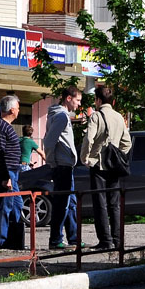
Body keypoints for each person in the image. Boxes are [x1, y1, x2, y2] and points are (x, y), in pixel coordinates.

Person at [82, 84, 131, 251]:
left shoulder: (96, 116)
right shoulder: (119, 117)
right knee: (114, 204)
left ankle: (105, 240)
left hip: (97, 164)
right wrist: (117, 155)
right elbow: (127, 143)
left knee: (100, 203)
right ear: (113, 101)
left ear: (98, 100)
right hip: (114, 166)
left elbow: (88, 139)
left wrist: (86, 158)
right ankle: (118, 240)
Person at [44, 87, 83, 249]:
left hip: (65, 164)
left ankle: (73, 237)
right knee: (63, 203)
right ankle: (55, 239)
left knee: (70, 202)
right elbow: (48, 141)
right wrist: (52, 161)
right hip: (62, 165)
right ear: (68, 98)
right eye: (77, 100)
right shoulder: (61, 117)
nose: (79, 104)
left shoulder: (61, 116)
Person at [0, 95, 24, 249]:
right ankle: (0, 240)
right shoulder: (1, 126)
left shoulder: (4, 126)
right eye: (18, 108)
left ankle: (13, 238)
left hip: (11, 172)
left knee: (16, 204)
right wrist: (5, 176)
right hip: (6, 172)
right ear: (11, 109)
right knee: (5, 204)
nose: (19, 110)